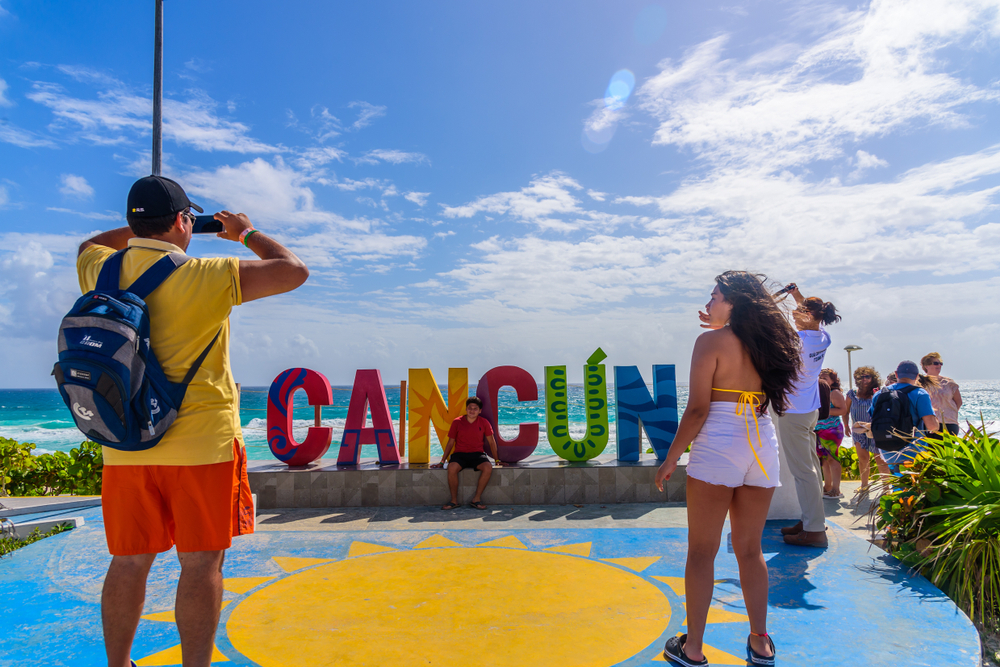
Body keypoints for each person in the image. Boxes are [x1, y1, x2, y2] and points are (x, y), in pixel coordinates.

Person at [78, 175, 309, 667]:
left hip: (124, 445)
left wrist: (137, 232)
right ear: (184, 221)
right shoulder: (207, 273)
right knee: (201, 563)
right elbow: (292, 271)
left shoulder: (99, 269)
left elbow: (91, 243)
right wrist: (244, 232)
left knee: (128, 561)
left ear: (133, 222)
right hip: (203, 448)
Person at [655, 271, 800, 667]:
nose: (710, 303)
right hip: (760, 444)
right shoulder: (770, 343)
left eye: (716, 296)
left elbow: (699, 408)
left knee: (702, 551)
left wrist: (672, 457)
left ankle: (694, 648)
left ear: (734, 303)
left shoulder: (710, 342)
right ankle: (760, 643)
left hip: (719, 442)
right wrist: (724, 322)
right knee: (750, 551)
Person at [778, 286, 841, 548]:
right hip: (810, 411)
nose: (793, 313)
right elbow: (812, 312)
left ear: (809, 315)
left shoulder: (796, 341)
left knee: (803, 472)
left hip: (794, 411)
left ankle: (814, 530)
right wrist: (797, 296)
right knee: (812, 469)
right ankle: (810, 520)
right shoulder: (822, 336)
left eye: (798, 311)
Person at [433, 397, 500, 510]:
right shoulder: (457, 422)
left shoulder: (484, 422)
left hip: (477, 454)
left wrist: (497, 460)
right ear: (466, 409)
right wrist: (442, 461)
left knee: (488, 467)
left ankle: (476, 499)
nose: (472, 411)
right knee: (452, 467)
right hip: (460, 454)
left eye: (475, 409)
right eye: (470, 408)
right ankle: (454, 501)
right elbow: (450, 443)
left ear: (480, 411)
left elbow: (491, 442)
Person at [871, 361, 940, 471]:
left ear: (896, 374)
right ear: (917, 376)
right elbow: (931, 426)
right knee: (913, 484)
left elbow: (873, 420)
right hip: (912, 450)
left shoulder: (879, 394)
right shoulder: (920, 393)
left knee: (897, 483)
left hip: (887, 449)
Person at [843, 366, 889, 492]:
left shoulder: (878, 393)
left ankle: (886, 488)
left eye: (867, 377)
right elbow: (845, 412)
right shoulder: (851, 394)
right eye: (861, 377)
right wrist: (846, 426)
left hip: (875, 431)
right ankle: (864, 486)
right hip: (859, 431)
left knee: (881, 460)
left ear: (873, 378)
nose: (864, 379)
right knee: (863, 459)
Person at [815, 369, 847, 498]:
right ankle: (827, 486)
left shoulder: (834, 393)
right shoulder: (818, 392)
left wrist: (823, 411)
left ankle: (836, 489)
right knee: (824, 460)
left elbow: (843, 410)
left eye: (825, 377)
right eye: (820, 377)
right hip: (818, 430)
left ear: (833, 380)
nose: (822, 379)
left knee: (832, 459)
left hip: (831, 429)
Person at [921, 352, 962, 435]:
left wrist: (949, 413)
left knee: (948, 448)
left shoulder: (949, 383)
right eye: (936, 363)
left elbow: (959, 402)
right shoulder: (920, 382)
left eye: (940, 363)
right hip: (928, 424)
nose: (939, 365)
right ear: (926, 366)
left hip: (949, 423)